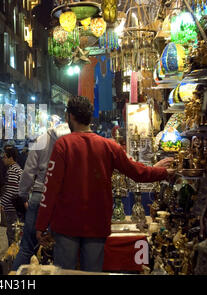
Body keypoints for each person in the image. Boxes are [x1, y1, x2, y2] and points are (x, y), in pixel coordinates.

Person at [35, 96, 175, 272]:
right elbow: (137, 172)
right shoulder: (109, 146)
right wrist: (161, 171)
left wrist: (41, 225)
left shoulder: (63, 145)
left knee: (65, 272)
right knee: (93, 272)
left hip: (66, 225)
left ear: (70, 116)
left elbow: (50, 189)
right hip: (97, 223)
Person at [11, 121, 70, 271]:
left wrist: (23, 194)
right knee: (61, 246)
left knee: (27, 247)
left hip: (39, 194)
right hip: (63, 196)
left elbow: (29, 171)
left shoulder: (43, 139)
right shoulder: (73, 139)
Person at [0, 147, 23, 246]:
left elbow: (11, 190)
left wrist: (0, 204)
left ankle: (13, 258)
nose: (3, 159)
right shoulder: (17, 168)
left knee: (13, 235)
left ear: (11, 158)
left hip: (12, 208)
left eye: (5, 157)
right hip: (16, 207)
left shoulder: (12, 170)